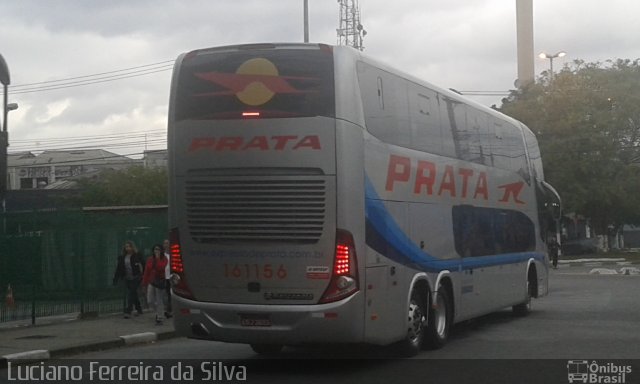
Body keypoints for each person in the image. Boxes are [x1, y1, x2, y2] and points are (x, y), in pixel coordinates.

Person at [112, 241, 144, 318]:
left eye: (129, 246)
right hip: (127, 278)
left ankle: (128, 310)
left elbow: (143, 264)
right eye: (126, 247)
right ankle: (139, 309)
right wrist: (116, 279)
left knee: (131, 293)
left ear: (132, 247)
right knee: (134, 294)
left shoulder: (137, 255)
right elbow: (119, 269)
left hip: (136, 277)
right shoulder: (122, 257)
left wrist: (143, 275)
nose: (128, 248)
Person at [143, 244, 169, 325]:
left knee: (159, 299)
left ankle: (160, 317)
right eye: (155, 249)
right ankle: (158, 311)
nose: (156, 251)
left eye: (158, 249)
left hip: (159, 281)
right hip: (152, 281)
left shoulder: (164, 259)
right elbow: (147, 271)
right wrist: (144, 282)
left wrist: (157, 259)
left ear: (161, 251)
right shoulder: (150, 259)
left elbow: (161, 268)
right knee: (150, 300)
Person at [162, 239, 173, 319]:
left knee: (170, 294)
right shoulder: (163, 255)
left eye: (168, 243)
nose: (166, 245)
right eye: (165, 243)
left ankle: (169, 310)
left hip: (171, 277)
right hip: (164, 277)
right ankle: (167, 309)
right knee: (165, 294)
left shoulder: (173, 255)